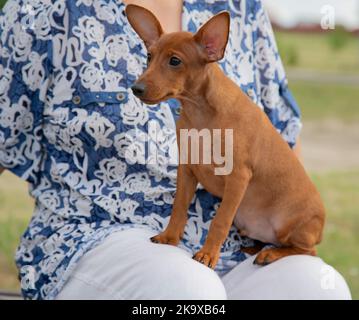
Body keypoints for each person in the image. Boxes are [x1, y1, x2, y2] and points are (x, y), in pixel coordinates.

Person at [0, 0, 351, 300]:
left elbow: (284, 137)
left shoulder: (241, 6)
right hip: (96, 239)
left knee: (320, 288)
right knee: (188, 292)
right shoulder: (47, 10)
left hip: (235, 249)